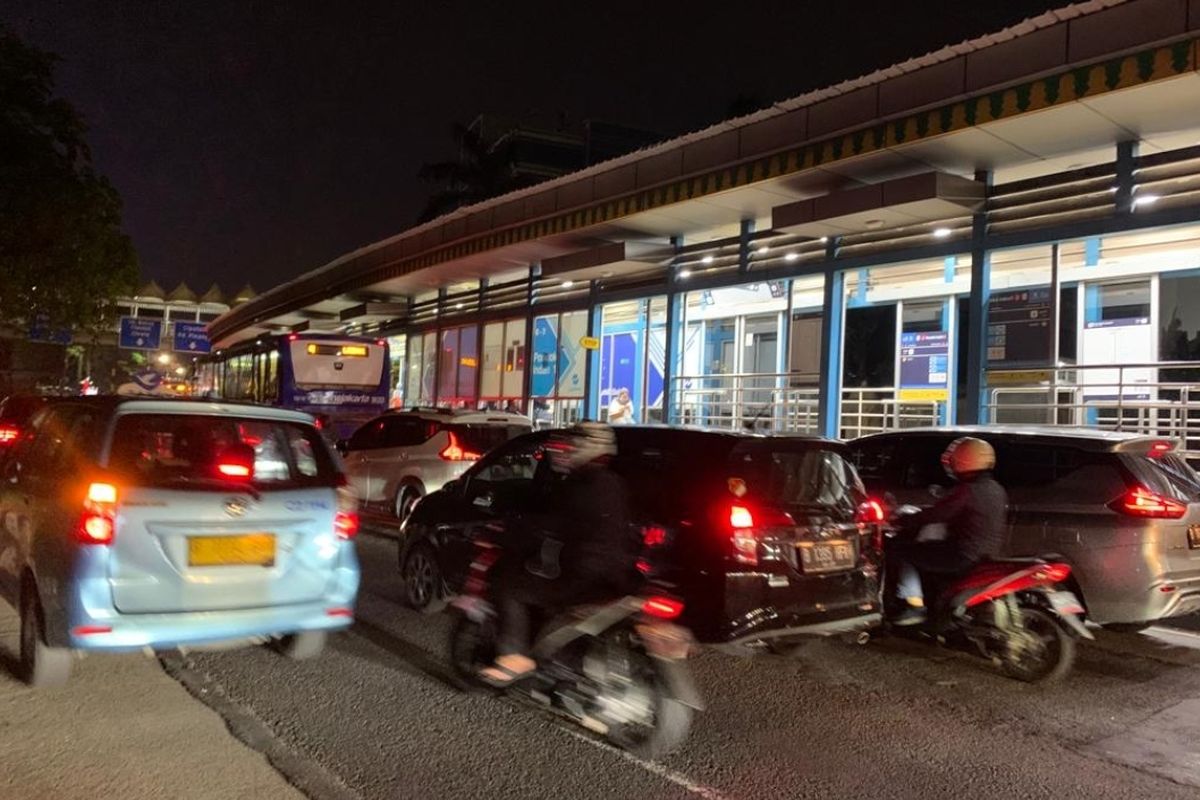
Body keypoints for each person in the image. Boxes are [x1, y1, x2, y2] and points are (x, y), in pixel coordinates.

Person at [479, 422, 634, 686]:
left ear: (585, 447)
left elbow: (549, 527)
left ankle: (513, 656)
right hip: (617, 577)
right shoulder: (615, 483)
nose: (563, 451)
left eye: (569, 446)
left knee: (508, 583)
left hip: (579, 577)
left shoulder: (579, 485)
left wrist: (510, 531)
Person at [887, 436, 1008, 626]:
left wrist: (903, 520)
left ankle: (914, 606)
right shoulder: (995, 488)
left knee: (901, 552)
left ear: (962, 460)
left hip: (962, 555)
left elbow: (938, 514)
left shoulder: (968, 490)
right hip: (986, 554)